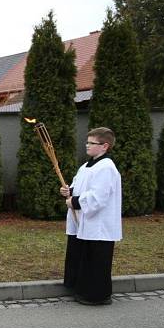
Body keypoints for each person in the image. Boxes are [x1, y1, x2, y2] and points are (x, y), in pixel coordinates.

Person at [60, 127, 122, 306]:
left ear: (104, 146)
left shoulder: (106, 168)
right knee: (81, 254)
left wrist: (76, 202)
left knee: (95, 260)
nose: (86, 145)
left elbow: (98, 197)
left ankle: (97, 295)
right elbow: (80, 187)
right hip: (83, 221)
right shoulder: (86, 166)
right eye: (86, 142)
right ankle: (79, 288)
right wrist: (69, 191)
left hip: (99, 224)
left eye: (91, 143)